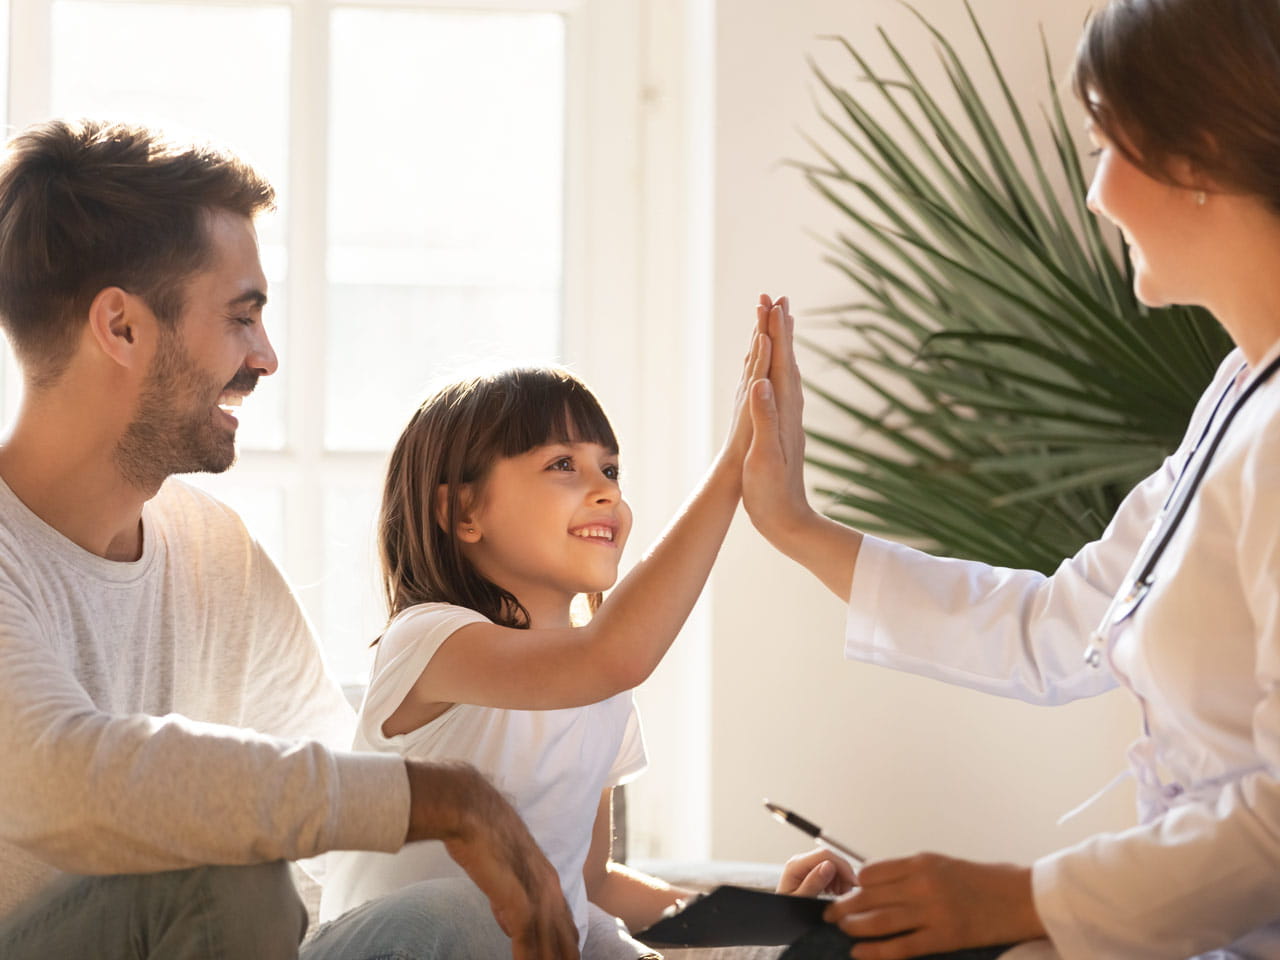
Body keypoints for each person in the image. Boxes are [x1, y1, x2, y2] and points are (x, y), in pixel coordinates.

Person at [741, 0, 1280, 956]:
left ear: (1196, 155)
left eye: (1102, 143)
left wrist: (1022, 900)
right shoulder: (1240, 390)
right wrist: (794, 525)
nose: (1096, 194)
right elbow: (1058, 626)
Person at [0, 118, 579, 960]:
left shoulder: (212, 551)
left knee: (458, 917)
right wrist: (447, 797)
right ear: (120, 328)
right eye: (241, 318)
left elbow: (327, 821)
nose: (266, 358)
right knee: (220, 872)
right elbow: (58, 779)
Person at [319, 346, 767, 955]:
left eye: (610, 470)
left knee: (599, 936)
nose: (605, 492)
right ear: (463, 510)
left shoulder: (603, 685)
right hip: (398, 945)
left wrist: (774, 917)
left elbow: (592, 882)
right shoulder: (429, 639)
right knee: (476, 909)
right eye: (563, 465)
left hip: (531, 939)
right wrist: (734, 468)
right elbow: (609, 657)